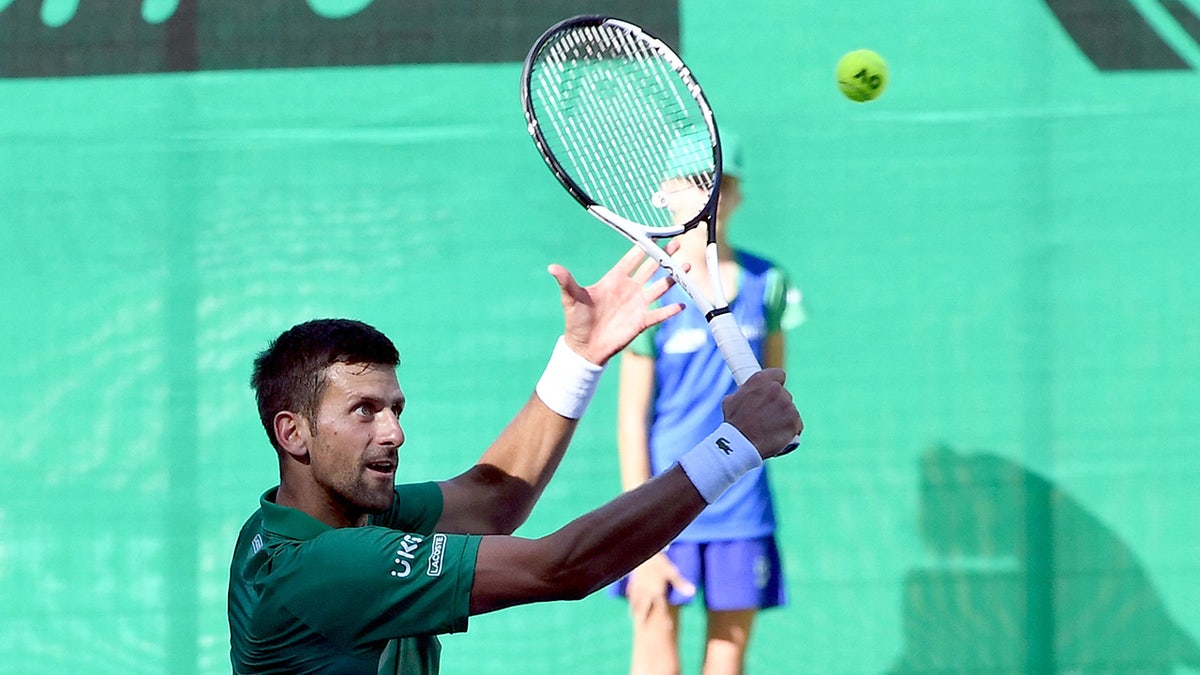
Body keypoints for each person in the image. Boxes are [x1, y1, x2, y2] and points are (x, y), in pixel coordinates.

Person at [227, 246, 803, 675]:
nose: (394, 432)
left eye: (395, 408)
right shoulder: (319, 565)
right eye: (363, 411)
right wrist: (732, 447)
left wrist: (580, 357)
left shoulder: (316, 516)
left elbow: (493, 498)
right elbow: (560, 568)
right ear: (293, 433)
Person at [612, 134, 805, 675]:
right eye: (696, 182)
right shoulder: (651, 286)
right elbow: (632, 419)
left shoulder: (769, 284)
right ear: (665, 194)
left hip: (742, 507)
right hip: (662, 503)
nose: (710, 195)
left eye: (721, 182)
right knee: (654, 649)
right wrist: (640, 529)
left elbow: (774, 395)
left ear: (737, 194)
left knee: (728, 659)